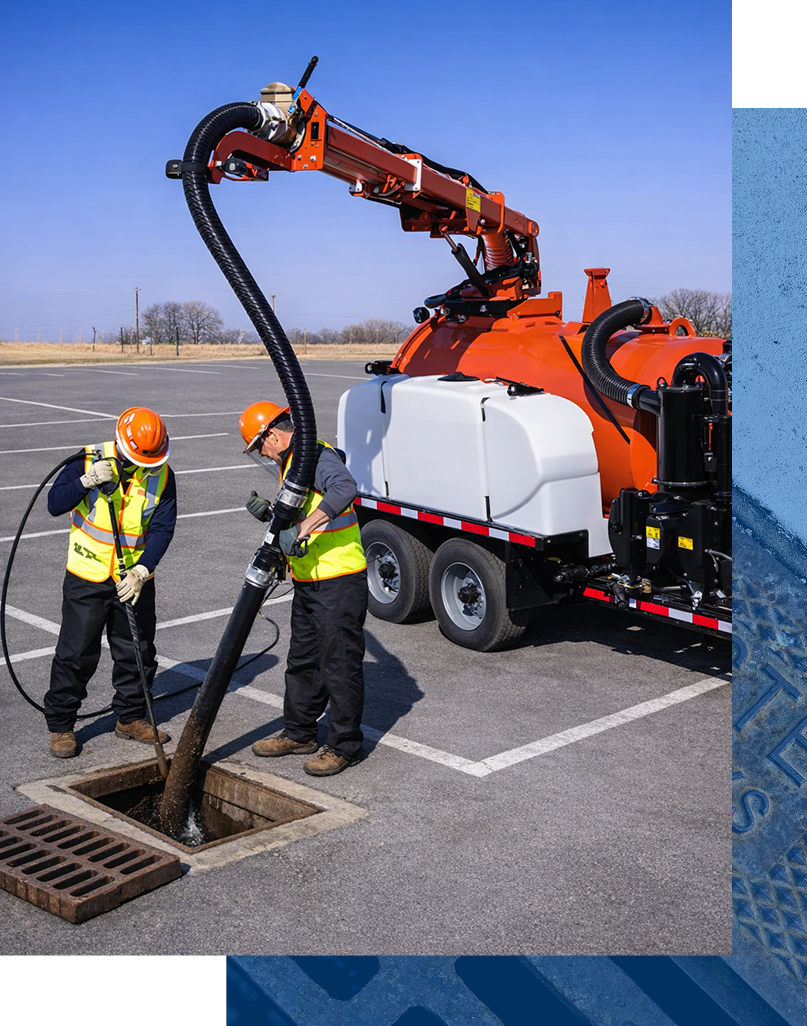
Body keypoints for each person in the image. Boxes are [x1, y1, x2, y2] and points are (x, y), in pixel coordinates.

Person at [240, 400, 368, 776]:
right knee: (304, 662)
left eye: (259, 446)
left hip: (339, 579)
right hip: (310, 579)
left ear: (274, 435)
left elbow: (345, 487)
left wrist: (304, 528)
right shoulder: (291, 462)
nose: (261, 453)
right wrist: (274, 515)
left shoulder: (314, 455)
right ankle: (299, 733)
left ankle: (344, 746)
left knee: (339, 664)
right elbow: (304, 504)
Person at [44, 407, 177, 758]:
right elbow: (54, 504)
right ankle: (61, 725)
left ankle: (130, 717)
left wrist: (142, 571)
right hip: (87, 576)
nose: (147, 467)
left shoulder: (162, 475)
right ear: (120, 442)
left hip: (132, 581)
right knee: (75, 653)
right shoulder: (86, 460)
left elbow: (163, 528)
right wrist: (84, 482)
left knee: (138, 650)